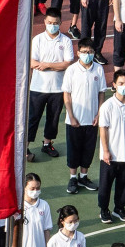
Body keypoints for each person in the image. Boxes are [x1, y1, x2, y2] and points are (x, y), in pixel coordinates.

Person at [28, 8, 74, 159]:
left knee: (53, 119)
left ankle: (47, 144)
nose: (52, 25)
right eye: (49, 22)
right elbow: (32, 62)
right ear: (44, 22)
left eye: (55, 23)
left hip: (57, 89)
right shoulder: (37, 40)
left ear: (60, 23)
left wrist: (46, 65)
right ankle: (25, 147)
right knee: (33, 118)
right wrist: (55, 65)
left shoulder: (66, 41)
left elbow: (67, 63)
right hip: (38, 87)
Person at [97, 70, 125, 224]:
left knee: (124, 183)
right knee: (105, 185)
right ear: (114, 85)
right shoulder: (107, 106)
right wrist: (106, 151)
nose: (124, 86)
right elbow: (103, 129)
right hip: (110, 155)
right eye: (121, 83)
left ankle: (119, 208)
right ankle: (104, 209)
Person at [62, 39, 105, 194]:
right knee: (73, 149)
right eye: (85, 52)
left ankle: (84, 177)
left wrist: (99, 113)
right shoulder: (71, 70)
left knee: (88, 149)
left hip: (92, 120)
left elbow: (101, 93)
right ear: (78, 53)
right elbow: (67, 94)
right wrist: (71, 116)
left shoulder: (98, 69)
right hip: (74, 120)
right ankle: (73, 178)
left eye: (90, 52)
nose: (88, 55)